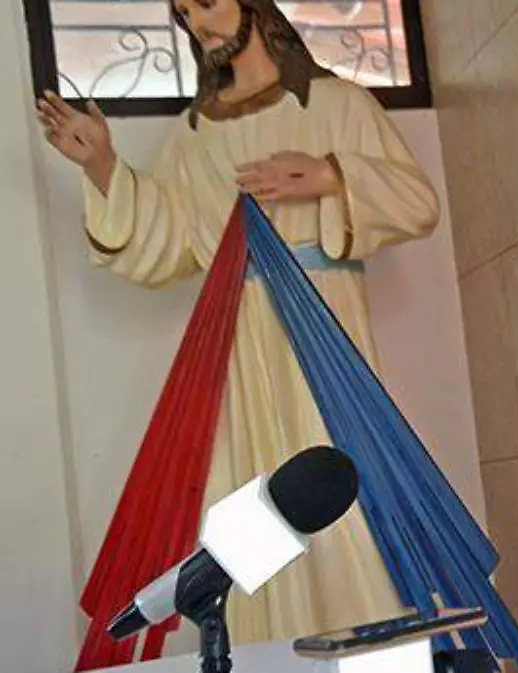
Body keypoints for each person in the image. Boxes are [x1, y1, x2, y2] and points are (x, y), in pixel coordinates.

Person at [35, 0, 439, 656]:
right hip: (237, 337)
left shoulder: (338, 104)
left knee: (339, 488)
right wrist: (102, 165)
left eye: (208, 4)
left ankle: (379, 660)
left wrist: (328, 175)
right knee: (250, 500)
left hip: (322, 326)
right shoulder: (196, 133)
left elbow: (417, 202)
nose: (199, 25)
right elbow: (167, 241)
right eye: (185, 13)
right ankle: (266, 658)